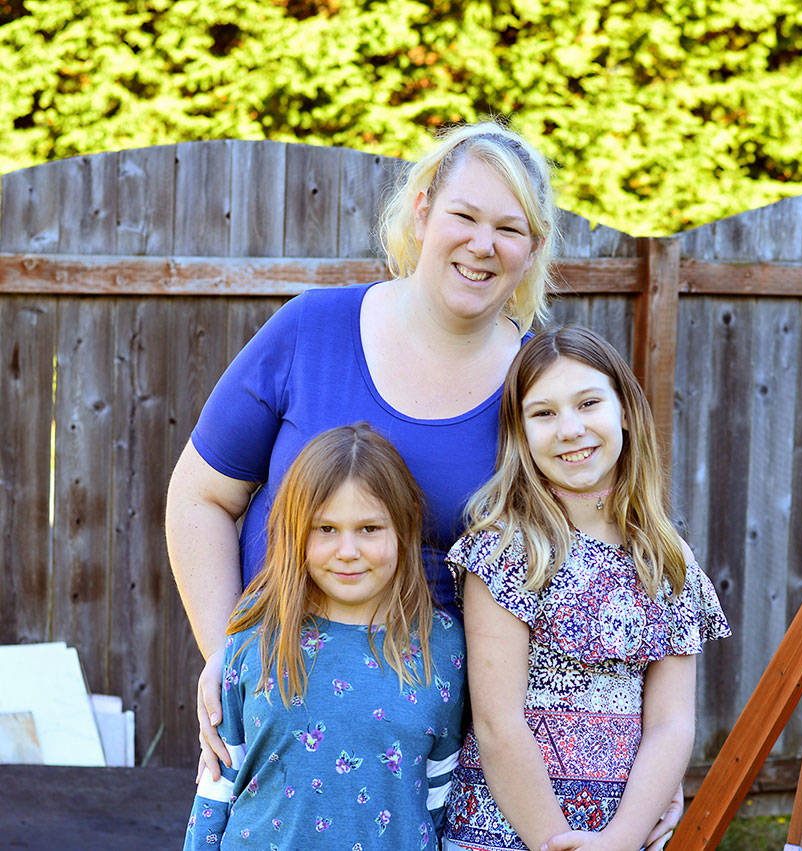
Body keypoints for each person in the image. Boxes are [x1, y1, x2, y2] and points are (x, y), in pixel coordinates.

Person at [166, 120, 558, 777]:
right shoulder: (311, 329)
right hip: (278, 718)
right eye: (464, 214)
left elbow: (588, 558)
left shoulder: (539, 386)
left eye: (509, 228)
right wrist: (224, 658)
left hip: (435, 751)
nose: (482, 245)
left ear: (533, 247)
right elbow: (199, 497)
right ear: (423, 210)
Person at [442, 327, 730, 851]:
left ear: (625, 411)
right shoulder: (509, 550)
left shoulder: (666, 560)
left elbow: (671, 724)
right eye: (544, 413)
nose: (570, 429)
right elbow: (497, 722)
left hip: (626, 833)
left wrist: (622, 838)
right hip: (509, 829)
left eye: (588, 403)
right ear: (520, 433)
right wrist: (558, 842)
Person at [181, 423, 465, 849]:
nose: (347, 551)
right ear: (296, 534)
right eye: (326, 529)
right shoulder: (256, 634)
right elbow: (218, 781)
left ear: (404, 530)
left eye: (370, 528)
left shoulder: (440, 646)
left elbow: (444, 795)